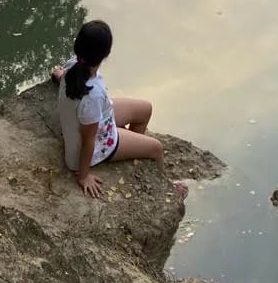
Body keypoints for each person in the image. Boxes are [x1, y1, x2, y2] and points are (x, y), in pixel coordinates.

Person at [52, 19, 184, 199]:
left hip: (101, 120)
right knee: (157, 148)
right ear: (106, 53)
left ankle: (134, 152)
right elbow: (89, 140)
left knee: (145, 109)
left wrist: (59, 76)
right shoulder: (93, 95)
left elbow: (70, 81)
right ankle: (168, 191)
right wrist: (84, 176)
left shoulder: (73, 64)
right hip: (98, 144)